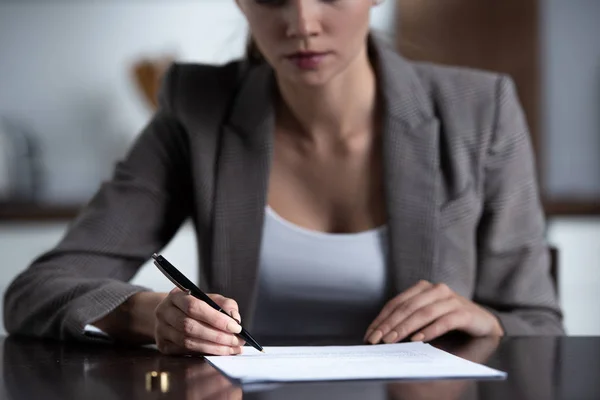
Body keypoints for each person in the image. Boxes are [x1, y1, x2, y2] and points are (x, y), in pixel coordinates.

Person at [3, 0, 563, 356]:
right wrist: (150, 315)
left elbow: (539, 323)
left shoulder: (479, 109)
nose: (301, 23)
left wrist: (485, 319)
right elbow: (36, 292)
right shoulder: (199, 110)